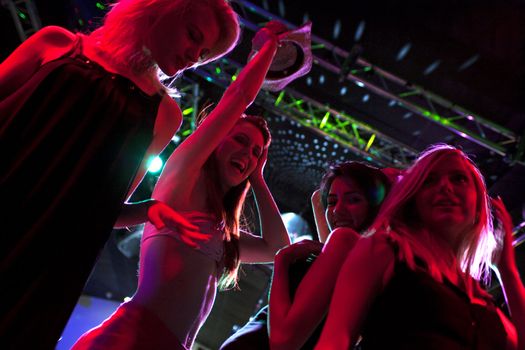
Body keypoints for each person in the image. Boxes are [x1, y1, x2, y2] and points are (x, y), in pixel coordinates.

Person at [0, 0, 241, 348]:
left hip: (47, 260)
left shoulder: (163, 115)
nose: (193, 57)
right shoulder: (57, 44)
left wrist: (147, 210)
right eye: (193, 35)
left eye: (203, 53)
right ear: (159, 9)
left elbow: (108, 209)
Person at [71, 20, 293, 350]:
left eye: (256, 152)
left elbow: (278, 249)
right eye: (241, 140)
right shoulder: (182, 176)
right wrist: (269, 48)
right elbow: (238, 97)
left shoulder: (222, 234)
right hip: (131, 338)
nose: (248, 154)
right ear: (216, 139)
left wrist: (258, 178)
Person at [315, 144, 525, 349]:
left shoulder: (479, 296)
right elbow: (335, 341)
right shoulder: (384, 249)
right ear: (414, 200)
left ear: (479, 204)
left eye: (458, 178)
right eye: (430, 180)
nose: (445, 186)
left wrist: (506, 270)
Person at [219, 161, 393, 350]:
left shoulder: (345, 243)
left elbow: (281, 341)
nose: (337, 210)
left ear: (376, 206)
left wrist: (282, 262)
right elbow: (318, 198)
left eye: (353, 200)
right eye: (333, 201)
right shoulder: (365, 258)